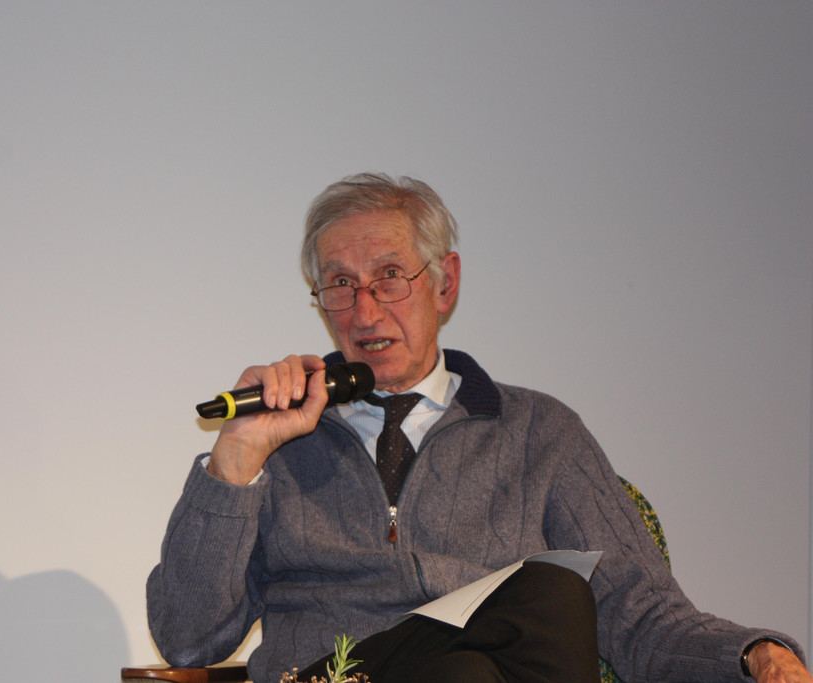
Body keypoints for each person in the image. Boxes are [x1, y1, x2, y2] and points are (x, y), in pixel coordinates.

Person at [147, 173, 811, 682]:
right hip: (336, 674)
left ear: (445, 285)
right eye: (340, 284)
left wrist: (755, 653)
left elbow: (639, 612)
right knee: (544, 596)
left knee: (484, 657)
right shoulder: (282, 440)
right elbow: (186, 639)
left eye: (389, 277)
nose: (364, 311)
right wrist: (237, 458)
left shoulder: (541, 431)